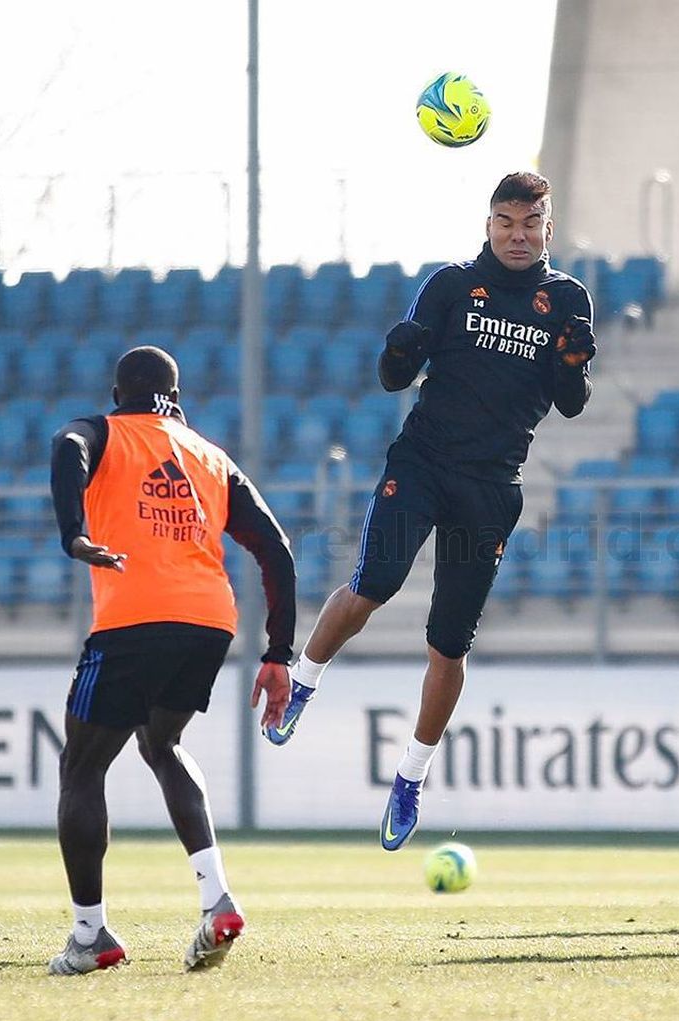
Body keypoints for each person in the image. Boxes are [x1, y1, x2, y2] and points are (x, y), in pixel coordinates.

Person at [263, 171, 595, 851]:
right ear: (488, 224)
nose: (516, 233)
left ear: (547, 229)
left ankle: (411, 776)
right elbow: (393, 377)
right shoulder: (449, 285)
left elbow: (570, 402)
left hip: (492, 484)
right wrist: (400, 349)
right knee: (372, 587)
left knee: (449, 642)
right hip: (422, 464)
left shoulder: (566, 299)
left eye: (530, 222)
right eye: (505, 220)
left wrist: (572, 362)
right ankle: (303, 680)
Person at [46, 345, 297, 975]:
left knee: (81, 765)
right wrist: (278, 654)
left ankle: (89, 936)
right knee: (160, 745)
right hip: (209, 621)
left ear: (118, 390)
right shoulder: (212, 457)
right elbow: (279, 552)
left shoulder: (103, 432)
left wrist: (72, 531)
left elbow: (65, 448)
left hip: (134, 616)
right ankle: (218, 901)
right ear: (175, 395)